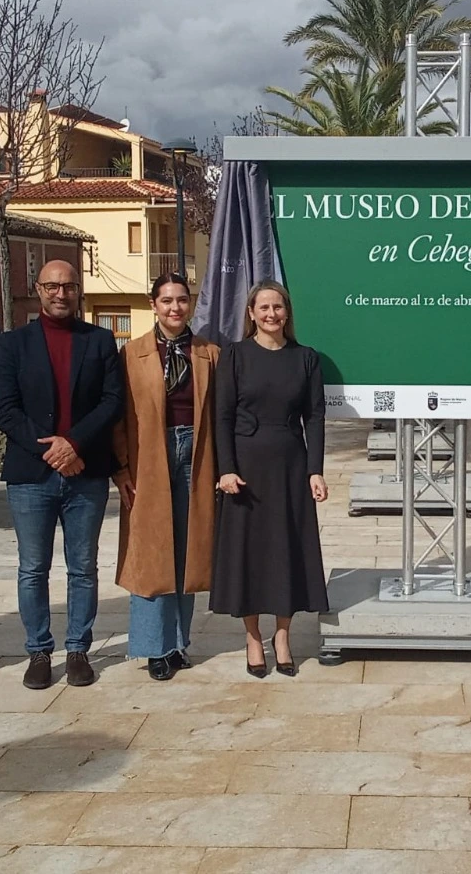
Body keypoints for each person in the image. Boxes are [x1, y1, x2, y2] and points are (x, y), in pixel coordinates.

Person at [0, 260, 122, 690]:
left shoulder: (101, 341)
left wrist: (75, 444)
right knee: (33, 568)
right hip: (32, 475)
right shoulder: (13, 344)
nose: (60, 293)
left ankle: (78, 649)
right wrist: (52, 451)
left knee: (82, 567)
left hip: (85, 471)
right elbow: (4, 407)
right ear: (38, 289)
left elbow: (112, 401)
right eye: (52, 286)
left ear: (79, 290)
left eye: (68, 286)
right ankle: (39, 651)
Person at [210, 279, 328, 678]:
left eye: (278, 307)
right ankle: (252, 636)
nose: (271, 314)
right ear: (251, 313)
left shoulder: (306, 358)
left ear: (287, 313)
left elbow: (314, 417)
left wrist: (316, 469)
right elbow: (221, 416)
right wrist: (225, 468)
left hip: (291, 468)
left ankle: (282, 635)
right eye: (264, 308)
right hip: (244, 471)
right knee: (248, 553)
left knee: (285, 551)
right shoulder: (235, 356)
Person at [113, 273, 221, 681]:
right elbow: (120, 416)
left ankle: (177, 643)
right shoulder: (132, 353)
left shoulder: (209, 353)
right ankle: (152, 646)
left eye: (182, 300)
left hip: (197, 452)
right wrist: (121, 467)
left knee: (188, 552)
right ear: (153, 304)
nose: (175, 308)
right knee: (152, 554)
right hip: (149, 457)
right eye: (166, 301)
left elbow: (220, 415)